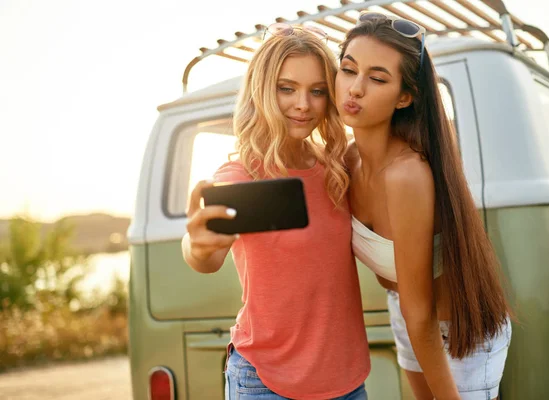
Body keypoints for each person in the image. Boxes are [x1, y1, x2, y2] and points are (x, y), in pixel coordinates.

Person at [182, 24, 370, 400]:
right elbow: (207, 257)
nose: (303, 104)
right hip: (267, 381)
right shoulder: (240, 175)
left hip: (346, 379)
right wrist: (196, 245)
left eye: (317, 91)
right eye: (287, 88)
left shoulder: (337, 168)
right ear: (263, 90)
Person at [336, 12, 513, 400]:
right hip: (406, 312)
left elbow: (423, 315)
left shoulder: (407, 175)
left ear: (405, 96)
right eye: (348, 69)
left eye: (377, 78)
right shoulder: (347, 161)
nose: (355, 88)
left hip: (457, 327)